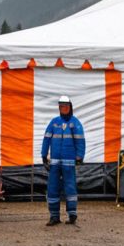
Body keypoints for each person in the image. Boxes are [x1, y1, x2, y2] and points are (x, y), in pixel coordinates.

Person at [41, 95, 85, 226]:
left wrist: (79, 157)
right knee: (52, 188)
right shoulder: (54, 122)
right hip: (55, 162)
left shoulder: (75, 123)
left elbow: (80, 141)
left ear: (70, 107)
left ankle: (72, 214)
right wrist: (44, 155)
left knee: (70, 188)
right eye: (61, 107)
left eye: (65, 107)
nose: (63, 109)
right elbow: (46, 139)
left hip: (69, 162)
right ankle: (54, 216)